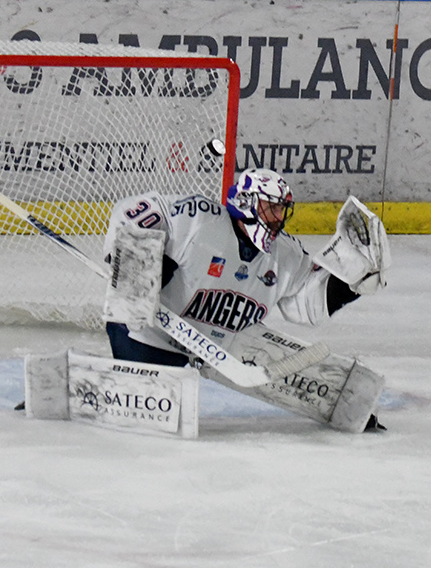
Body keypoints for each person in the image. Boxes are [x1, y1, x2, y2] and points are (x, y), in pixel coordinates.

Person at [101, 170, 391, 432]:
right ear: (245, 202)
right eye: (271, 207)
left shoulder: (284, 253)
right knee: (158, 421)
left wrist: (353, 282)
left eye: (282, 209)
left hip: (217, 342)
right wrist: (140, 260)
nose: (278, 217)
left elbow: (307, 303)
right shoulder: (198, 219)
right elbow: (134, 210)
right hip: (150, 332)